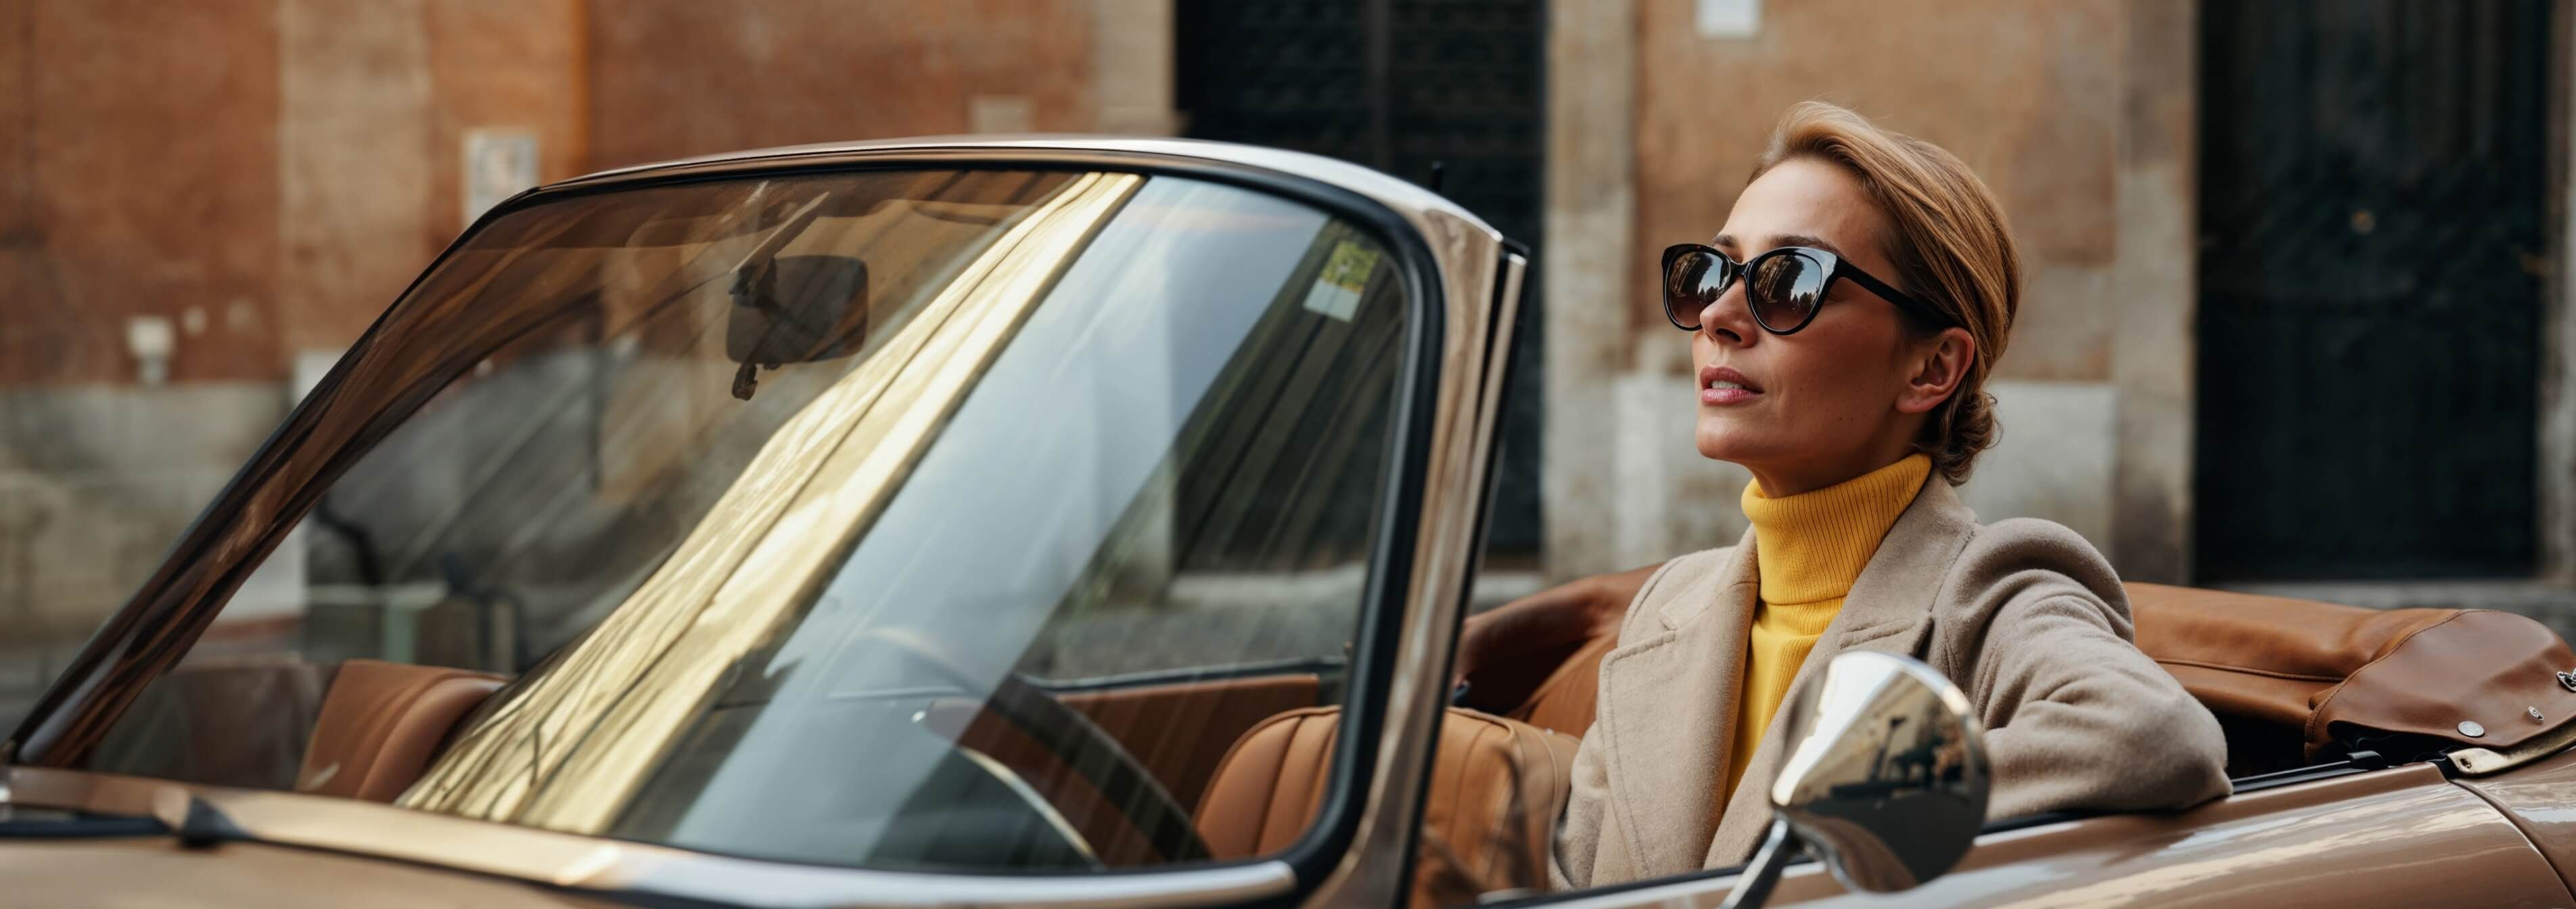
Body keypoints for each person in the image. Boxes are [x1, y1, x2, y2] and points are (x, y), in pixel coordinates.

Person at [1509, 102, 2232, 889]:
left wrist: (1821, 836)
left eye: (1788, 283)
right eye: (1709, 273)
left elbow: (2151, 736)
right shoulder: (1667, 607)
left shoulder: (1990, 592)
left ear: (1930, 370)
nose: (1718, 316)